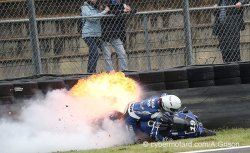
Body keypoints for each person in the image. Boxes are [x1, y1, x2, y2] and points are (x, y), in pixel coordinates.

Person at [100, 0, 133, 72]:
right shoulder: (105, 3)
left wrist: (129, 9)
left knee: (122, 52)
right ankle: (110, 71)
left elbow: (133, 10)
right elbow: (110, 13)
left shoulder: (121, 4)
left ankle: (125, 70)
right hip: (104, 33)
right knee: (107, 54)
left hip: (115, 33)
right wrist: (122, 11)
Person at [81, 0, 110, 73]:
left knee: (92, 53)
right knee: (95, 53)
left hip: (96, 34)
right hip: (88, 34)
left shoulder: (98, 6)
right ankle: (92, 72)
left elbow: (109, 10)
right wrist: (104, 11)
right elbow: (92, 18)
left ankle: (90, 72)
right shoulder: (85, 7)